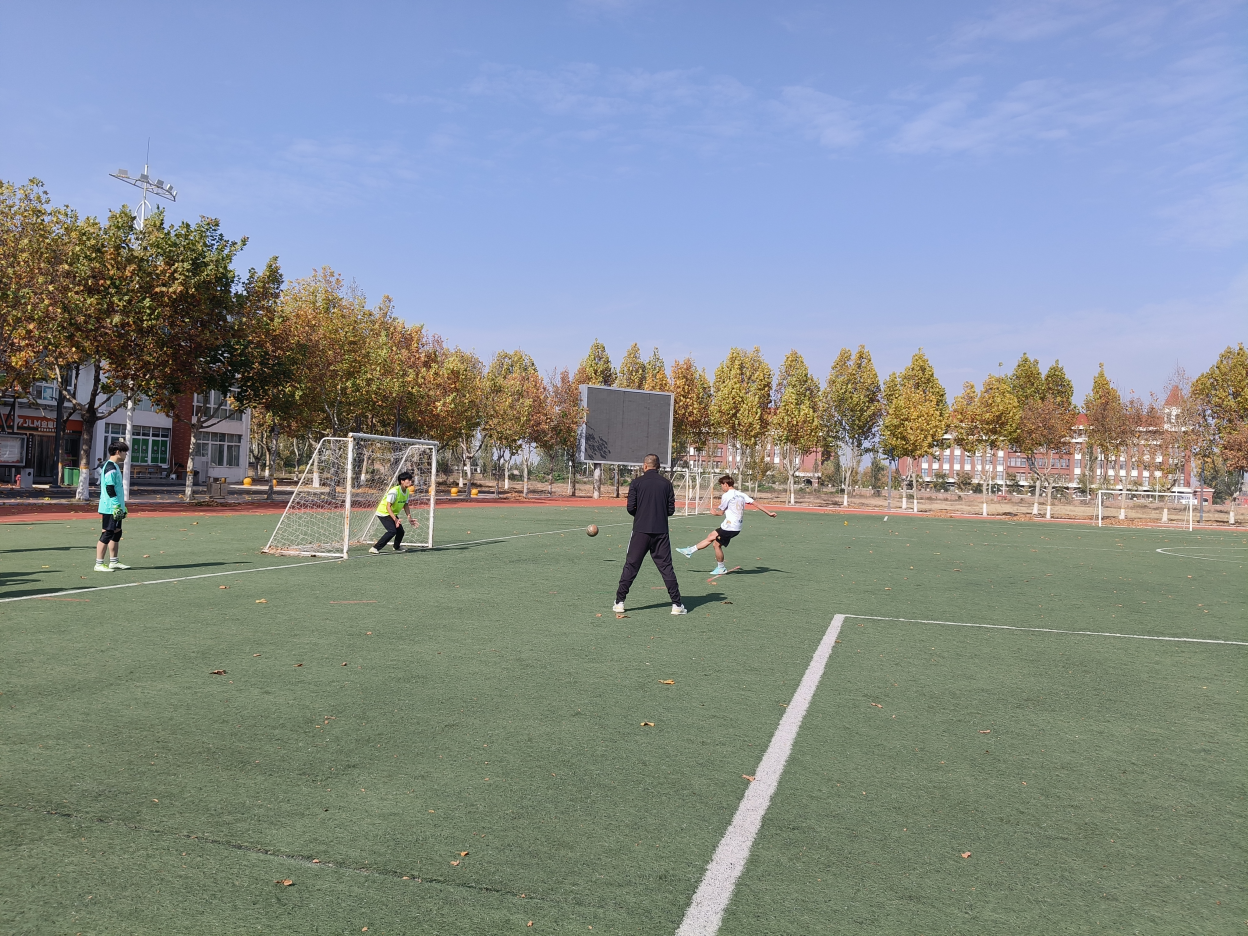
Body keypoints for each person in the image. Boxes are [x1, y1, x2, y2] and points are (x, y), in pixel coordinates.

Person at [614, 454, 687, 615]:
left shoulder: (636, 483)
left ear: (645, 466)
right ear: (658, 466)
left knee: (631, 566)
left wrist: (642, 516)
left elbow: (630, 507)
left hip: (640, 531)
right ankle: (676, 604)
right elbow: (670, 510)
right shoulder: (667, 484)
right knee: (666, 567)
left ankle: (619, 602)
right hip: (661, 532)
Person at [677, 474, 776, 575]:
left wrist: (714, 513)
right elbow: (756, 503)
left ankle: (721, 568)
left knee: (716, 545)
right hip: (736, 526)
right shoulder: (741, 494)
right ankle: (690, 551)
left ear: (726, 484)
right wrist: (769, 513)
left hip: (730, 527)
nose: (721, 488)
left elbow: (721, 513)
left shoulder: (727, 495)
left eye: (721, 485)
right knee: (711, 536)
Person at [95, 440, 130, 572]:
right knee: (107, 533)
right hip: (110, 507)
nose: (126, 454)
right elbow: (109, 488)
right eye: (125, 452)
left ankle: (114, 561)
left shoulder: (114, 466)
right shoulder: (110, 467)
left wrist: (122, 506)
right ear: (118, 452)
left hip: (116, 506)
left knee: (117, 532)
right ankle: (99, 563)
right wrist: (116, 505)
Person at [369, 471, 418, 554]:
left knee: (401, 532)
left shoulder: (407, 491)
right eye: (408, 480)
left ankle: (396, 547)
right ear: (402, 481)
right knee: (392, 531)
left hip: (392, 513)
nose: (410, 481)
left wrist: (409, 518)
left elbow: (406, 505)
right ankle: (375, 548)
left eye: (411, 480)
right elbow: (388, 507)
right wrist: (395, 519)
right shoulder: (394, 491)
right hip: (383, 512)